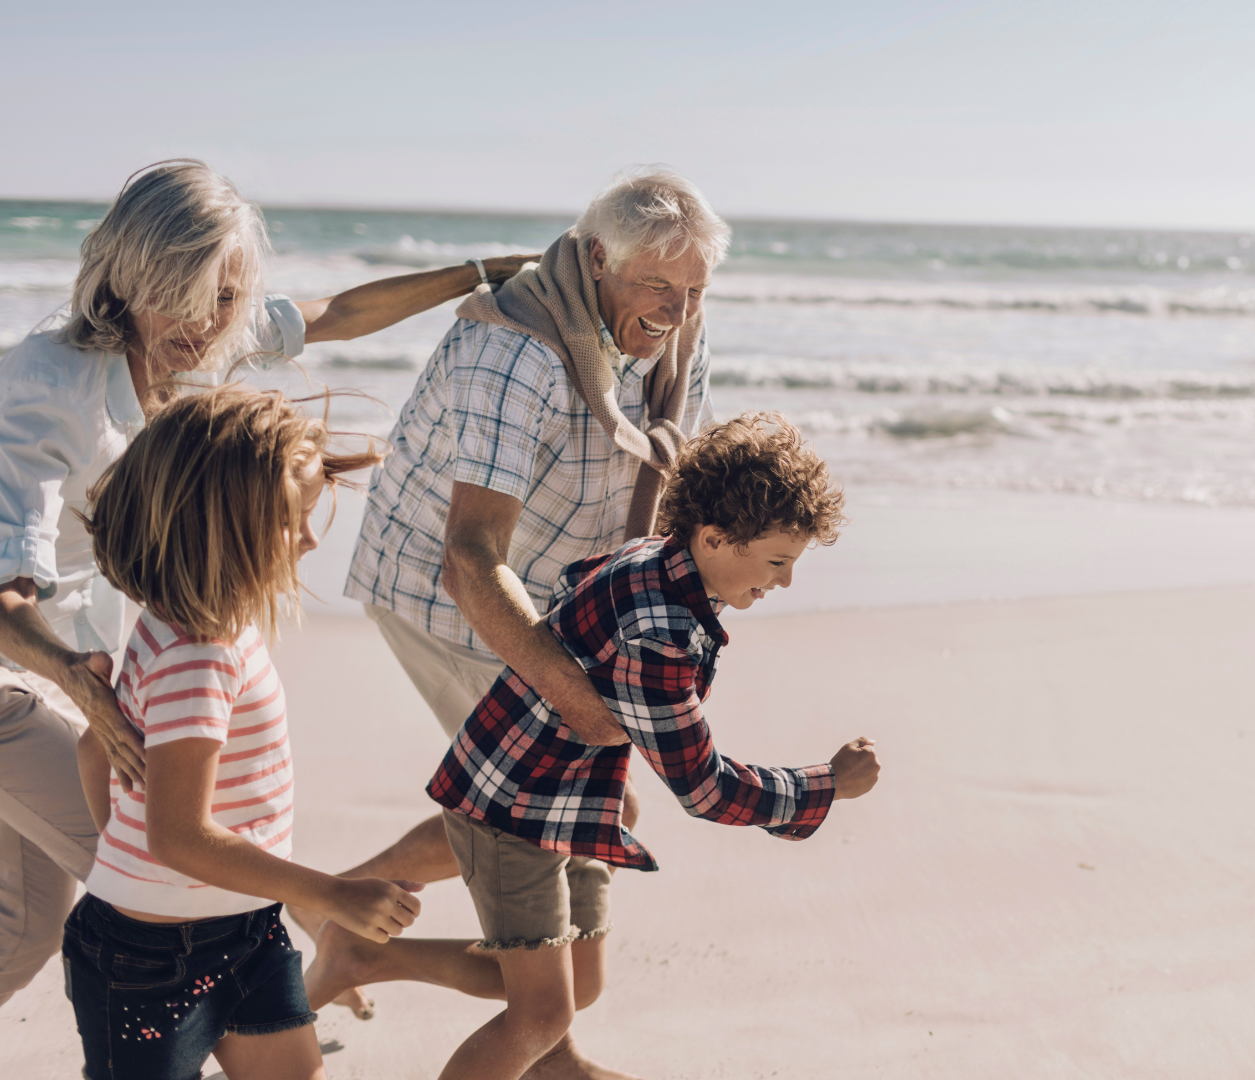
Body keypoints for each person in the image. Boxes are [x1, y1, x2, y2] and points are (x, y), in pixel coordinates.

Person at [0, 158, 535, 1010]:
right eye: (186, 292)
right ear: (131, 272)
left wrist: (480, 276)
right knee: (167, 887)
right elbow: (4, 596)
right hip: (24, 681)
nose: (207, 323)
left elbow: (337, 313)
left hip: (88, 679)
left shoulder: (205, 338)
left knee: (22, 927)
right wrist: (72, 680)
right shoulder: (41, 386)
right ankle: (273, 996)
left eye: (225, 298)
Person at [328, 167, 725, 1069]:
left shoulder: (680, 326)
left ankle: (531, 1032)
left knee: (575, 806)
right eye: (657, 285)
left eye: (695, 288)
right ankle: (352, 908)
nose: (676, 309)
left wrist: (638, 630)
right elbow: (470, 558)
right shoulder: (517, 348)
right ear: (596, 259)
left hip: (556, 584)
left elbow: (661, 475)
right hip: (443, 591)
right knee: (566, 800)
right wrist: (576, 697)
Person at [419, 412, 879, 1079]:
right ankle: (373, 956)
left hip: (565, 796)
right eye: (778, 562)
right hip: (513, 809)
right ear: (717, 538)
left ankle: (371, 957)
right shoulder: (660, 637)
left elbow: (573, 584)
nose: (783, 583)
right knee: (542, 1015)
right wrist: (828, 783)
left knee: (578, 984)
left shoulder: (656, 558)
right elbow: (706, 790)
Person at [64, 386, 420, 1080]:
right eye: (295, 520)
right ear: (221, 526)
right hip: (146, 966)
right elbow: (176, 836)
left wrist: (122, 865)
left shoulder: (190, 624)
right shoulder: (196, 656)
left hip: (245, 935)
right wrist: (330, 894)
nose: (314, 538)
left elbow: (92, 752)